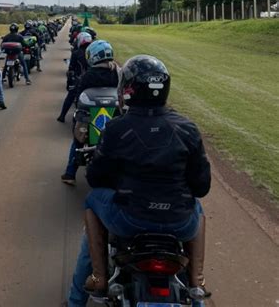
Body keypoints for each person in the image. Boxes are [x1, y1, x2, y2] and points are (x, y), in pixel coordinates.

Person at [67, 55, 211, 307]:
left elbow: (95, 177)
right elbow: (201, 186)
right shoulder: (187, 128)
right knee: (197, 207)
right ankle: (196, 283)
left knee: (91, 201)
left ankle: (95, 282)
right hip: (180, 224)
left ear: (128, 90)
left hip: (130, 220)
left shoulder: (116, 128)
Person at [61, 40, 120, 185]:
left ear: (93, 56)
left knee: (77, 140)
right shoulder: (118, 72)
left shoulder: (88, 75)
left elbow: (79, 96)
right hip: (113, 114)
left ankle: (70, 173)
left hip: (89, 116)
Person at [57, 31, 92, 123]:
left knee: (70, 95)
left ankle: (62, 116)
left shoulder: (76, 53)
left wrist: (69, 82)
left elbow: (71, 68)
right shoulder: (93, 52)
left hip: (79, 79)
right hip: (92, 79)